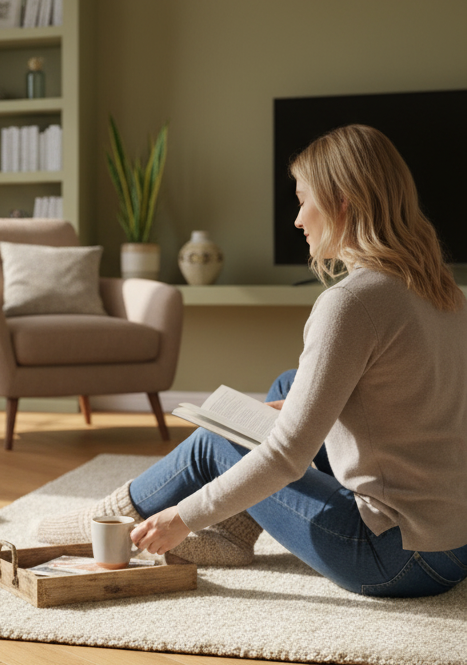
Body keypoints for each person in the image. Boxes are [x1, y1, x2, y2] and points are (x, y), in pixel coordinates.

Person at [37, 124, 467, 597]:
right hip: (454, 546)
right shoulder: (445, 292)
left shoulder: (352, 303)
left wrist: (181, 518)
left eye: (304, 200)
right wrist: (296, 410)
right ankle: (235, 533)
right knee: (289, 384)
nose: (299, 219)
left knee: (213, 444)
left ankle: (109, 519)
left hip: (396, 559)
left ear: (342, 199)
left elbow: (287, 457)